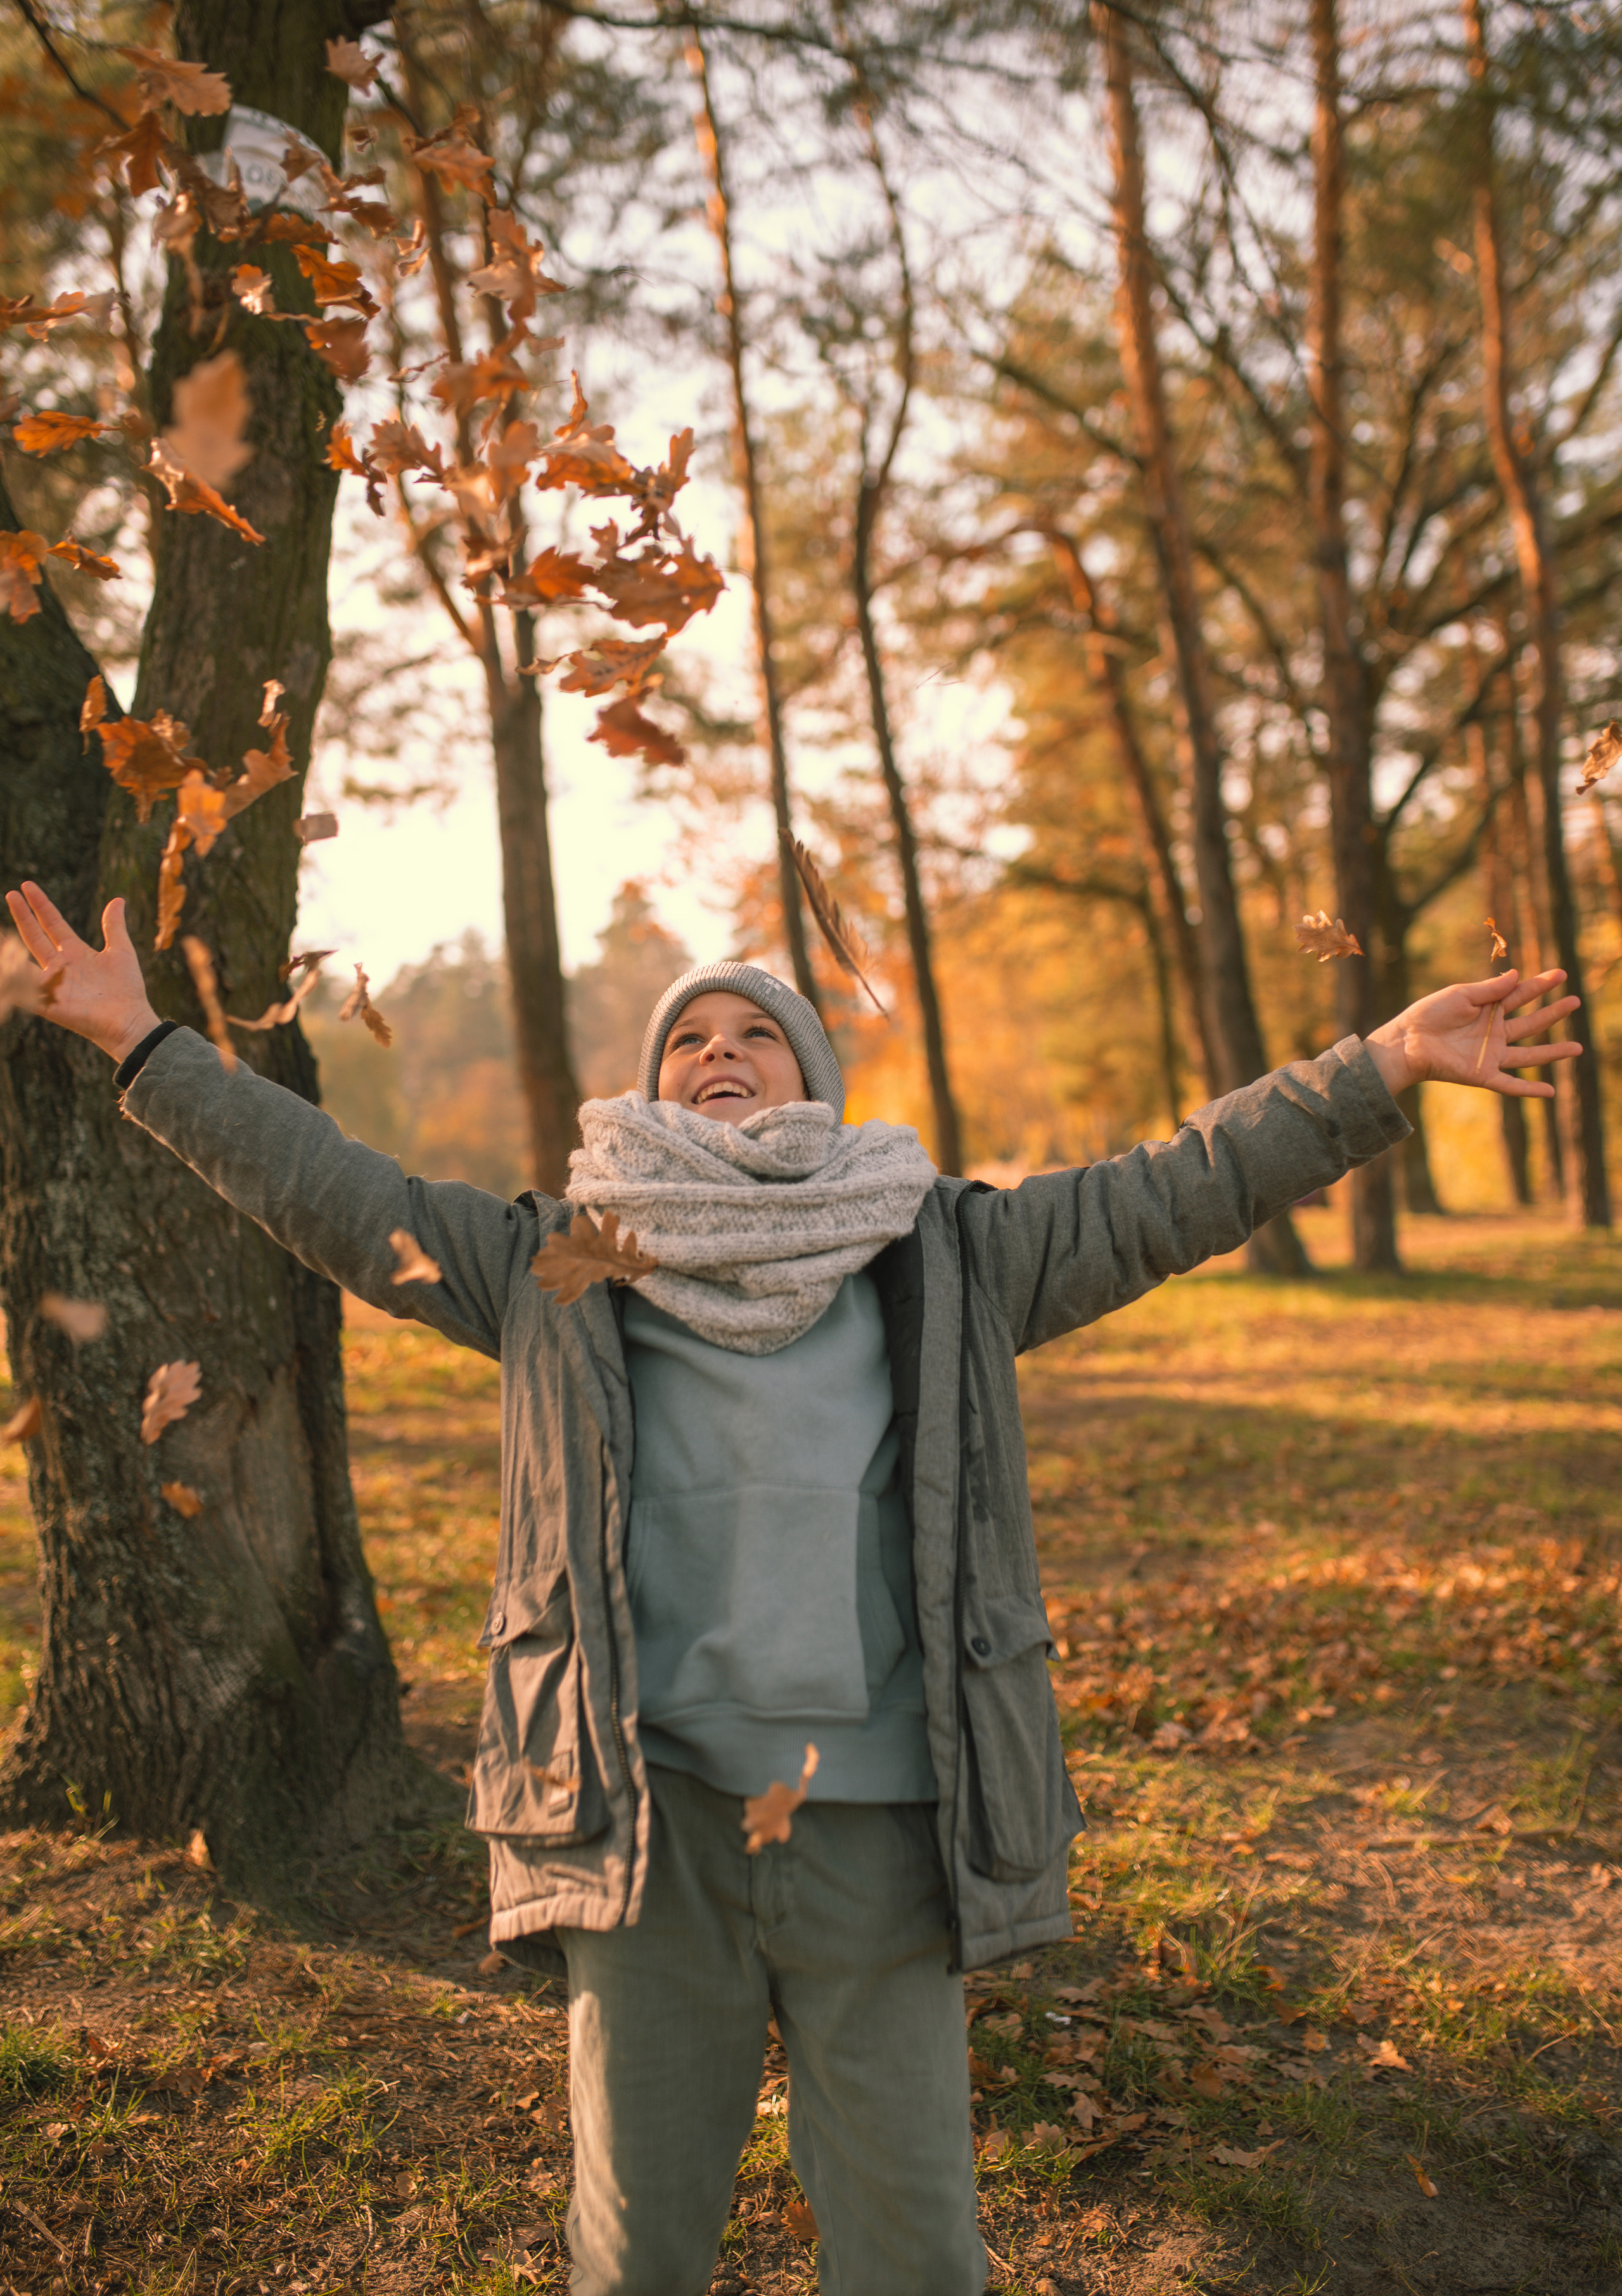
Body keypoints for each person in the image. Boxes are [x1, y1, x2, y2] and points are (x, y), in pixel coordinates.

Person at [4, 879, 1582, 2296]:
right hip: (648, 1828)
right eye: (684, 1036)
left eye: (752, 1030)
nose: (714, 1049)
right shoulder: (575, 1259)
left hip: (880, 1830)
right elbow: (349, 1202)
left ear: (811, 1081)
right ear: (651, 1086)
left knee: (912, 2254)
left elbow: (1174, 1187)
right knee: (633, 2259)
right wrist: (145, 1045)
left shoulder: (936, 1252)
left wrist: (1373, 1067)